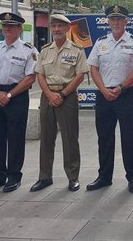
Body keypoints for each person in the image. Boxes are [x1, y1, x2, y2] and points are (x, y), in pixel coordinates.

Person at [86, 5, 133, 193]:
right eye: (113, 19)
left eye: (120, 19)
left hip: (125, 95)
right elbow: (93, 67)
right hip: (104, 95)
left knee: (129, 138)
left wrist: (120, 87)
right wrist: (103, 89)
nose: (116, 22)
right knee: (104, 138)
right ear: (108, 22)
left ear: (126, 22)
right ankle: (104, 176)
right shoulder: (101, 42)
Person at [0, 12, 38, 193]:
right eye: (5, 25)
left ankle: (13, 176)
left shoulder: (29, 50)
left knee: (15, 137)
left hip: (17, 95)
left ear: (20, 29)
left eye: (12, 26)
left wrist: (9, 95)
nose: (8, 28)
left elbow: (30, 78)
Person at [30, 14, 89, 193]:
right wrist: (49, 94)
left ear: (67, 28)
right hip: (48, 95)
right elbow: (39, 74)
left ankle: (73, 177)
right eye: (53, 26)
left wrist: (62, 94)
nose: (56, 29)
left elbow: (80, 75)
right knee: (46, 138)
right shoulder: (45, 50)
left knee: (70, 137)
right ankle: (45, 176)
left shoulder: (77, 50)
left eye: (60, 26)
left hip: (67, 96)